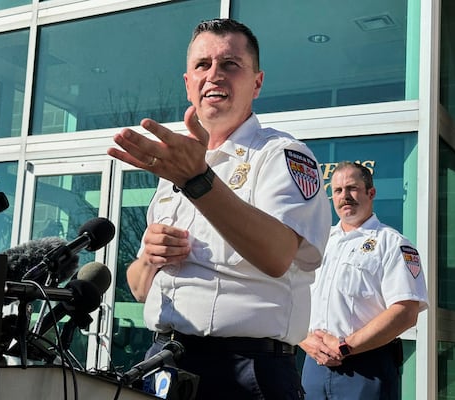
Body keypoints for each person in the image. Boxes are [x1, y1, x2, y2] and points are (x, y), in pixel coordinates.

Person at [107, 18, 331, 399]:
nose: (214, 75)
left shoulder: (282, 156)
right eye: (202, 65)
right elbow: (140, 288)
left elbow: (278, 256)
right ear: (188, 83)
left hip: (246, 373)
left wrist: (199, 181)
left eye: (230, 64)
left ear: (256, 82)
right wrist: (150, 258)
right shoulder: (175, 167)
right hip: (162, 362)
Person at [299, 161, 429, 399]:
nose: (344, 196)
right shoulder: (320, 241)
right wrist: (303, 339)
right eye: (337, 190)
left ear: (371, 193)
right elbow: (294, 294)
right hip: (314, 365)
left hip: (366, 368)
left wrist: (346, 346)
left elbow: (406, 312)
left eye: (352, 188)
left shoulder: (394, 244)